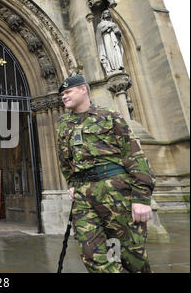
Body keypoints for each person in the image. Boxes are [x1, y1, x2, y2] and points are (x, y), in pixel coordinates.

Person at [56, 74, 155, 273]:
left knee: (130, 257)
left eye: (68, 92)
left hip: (116, 192)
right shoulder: (63, 125)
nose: (63, 97)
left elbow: (134, 155)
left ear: (84, 89)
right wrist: (73, 183)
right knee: (93, 256)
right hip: (84, 197)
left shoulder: (110, 116)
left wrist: (141, 199)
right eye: (62, 94)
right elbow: (65, 160)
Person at [96, 9, 124, 75]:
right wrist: (107, 27)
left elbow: (119, 33)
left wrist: (115, 30)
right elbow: (99, 33)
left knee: (116, 51)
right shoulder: (101, 24)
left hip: (114, 39)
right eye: (105, 13)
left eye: (108, 13)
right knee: (109, 52)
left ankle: (118, 66)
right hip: (106, 39)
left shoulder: (113, 24)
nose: (107, 14)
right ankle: (112, 68)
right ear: (103, 15)